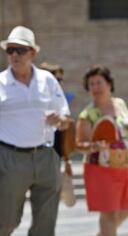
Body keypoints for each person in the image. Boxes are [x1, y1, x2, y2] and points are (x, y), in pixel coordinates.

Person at [0, 25, 70, 236]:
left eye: (19, 50)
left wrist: (60, 120)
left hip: (46, 156)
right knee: (5, 221)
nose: (14, 55)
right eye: (10, 50)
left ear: (32, 53)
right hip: (10, 159)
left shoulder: (47, 80)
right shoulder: (0, 82)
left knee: (45, 225)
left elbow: (66, 119)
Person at [75, 65, 128, 236]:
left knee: (125, 210)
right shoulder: (87, 114)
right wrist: (94, 146)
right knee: (109, 215)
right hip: (100, 169)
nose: (95, 87)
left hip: (125, 165)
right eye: (91, 84)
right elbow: (79, 144)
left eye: (99, 82)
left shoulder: (120, 104)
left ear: (109, 84)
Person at [39, 62, 76, 177]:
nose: (58, 83)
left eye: (60, 80)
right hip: (33, 156)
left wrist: (67, 160)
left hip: (55, 156)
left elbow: (63, 134)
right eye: (56, 79)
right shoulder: (34, 101)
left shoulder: (60, 101)